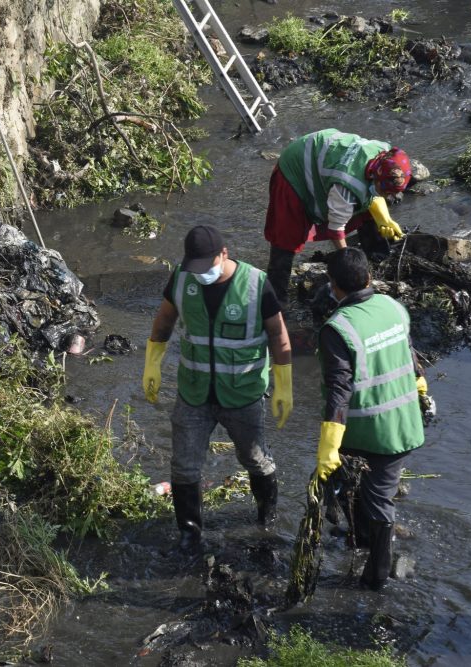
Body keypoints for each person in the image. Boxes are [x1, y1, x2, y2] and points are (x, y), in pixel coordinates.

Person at [143, 225, 293, 552]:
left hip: (242, 394)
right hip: (194, 393)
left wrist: (283, 384)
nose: (201, 275)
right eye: (195, 269)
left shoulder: (255, 284)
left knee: (255, 459)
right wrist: (152, 361)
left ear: (223, 254)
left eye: (206, 268)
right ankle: (189, 534)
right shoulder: (183, 278)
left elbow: (279, 336)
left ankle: (266, 520)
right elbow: (164, 320)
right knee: (184, 464)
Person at [314, 248, 427, 591]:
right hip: (404, 423)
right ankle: (362, 542)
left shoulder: (338, 328)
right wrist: (423, 392)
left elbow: (338, 389)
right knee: (367, 493)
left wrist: (327, 447)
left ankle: (376, 579)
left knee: (376, 500)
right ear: (369, 278)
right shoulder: (394, 307)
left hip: (368, 431)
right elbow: (410, 358)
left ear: (334, 287)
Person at [264, 128, 412, 307]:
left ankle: (376, 258)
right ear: (376, 177)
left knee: (366, 208)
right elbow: (336, 230)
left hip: (325, 156)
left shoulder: (385, 154)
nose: (389, 197)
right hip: (295, 169)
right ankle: (277, 300)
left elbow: (372, 198)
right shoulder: (348, 185)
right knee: (286, 236)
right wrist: (347, 265)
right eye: (386, 191)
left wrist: (385, 219)